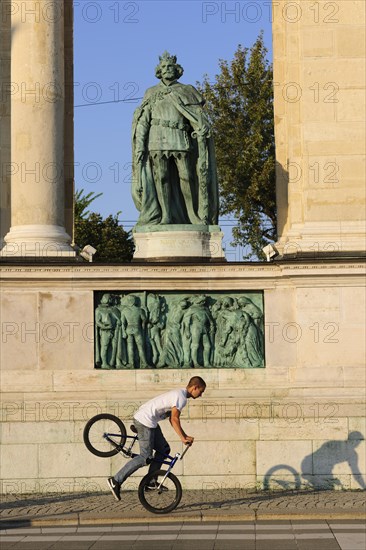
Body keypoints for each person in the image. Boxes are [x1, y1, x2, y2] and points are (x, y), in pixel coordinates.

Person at [131, 51, 218, 226]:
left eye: (170, 66)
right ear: (159, 71)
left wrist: (201, 129)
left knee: (186, 176)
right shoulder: (151, 92)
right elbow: (143, 121)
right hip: (156, 139)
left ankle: (193, 215)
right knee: (161, 177)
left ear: (177, 69)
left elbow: (198, 117)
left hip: (179, 138)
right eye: (163, 67)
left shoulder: (187, 90)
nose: (167, 69)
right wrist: (140, 144)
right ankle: (166, 216)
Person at [107, 376, 206, 501]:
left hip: (150, 422)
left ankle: (151, 481)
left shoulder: (179, 394)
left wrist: (184, 435)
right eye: (201, 391)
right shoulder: (181, 397)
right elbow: (174, 419)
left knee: (164, 450)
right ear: (194, 387)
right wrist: (183, 437)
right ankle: (116, 480)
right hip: (145, 421)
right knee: (145, 457)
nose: (201, 395)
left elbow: (171, 417)